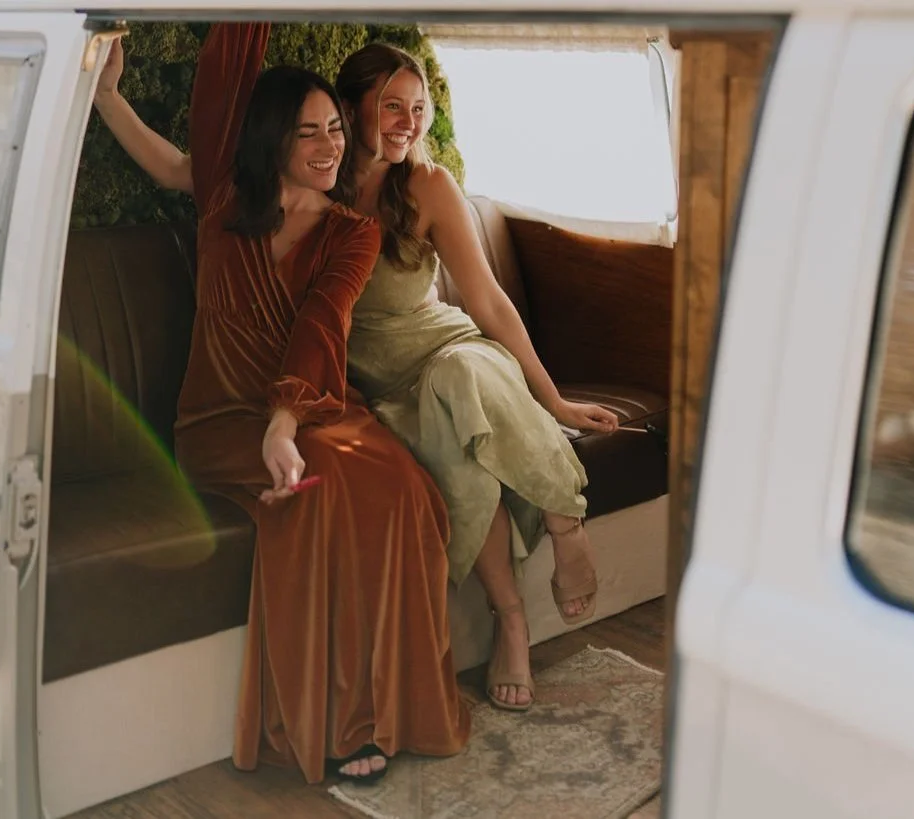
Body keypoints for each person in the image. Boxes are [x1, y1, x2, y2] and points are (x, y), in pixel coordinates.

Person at [92, 24, 470, 785]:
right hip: (220, 421)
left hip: (311, 408)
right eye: (309, 133)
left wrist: (287, 421)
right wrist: (104, 92)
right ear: (273, 139)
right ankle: (337, 723)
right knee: (315, 494)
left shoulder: (352, 234)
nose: (331, 146)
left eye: (336, 128)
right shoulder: (224, 197)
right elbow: (213, 89)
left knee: (405, 489)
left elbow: (320, 325)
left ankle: (398, 707)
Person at [334, 45, 621, 713]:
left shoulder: (429, 185)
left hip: (455, 352)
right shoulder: (317, 180)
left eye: (418, 108)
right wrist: (110, 100)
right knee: (461, 451)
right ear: (350, 108)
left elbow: (488, 300)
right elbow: (196, 176)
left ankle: (564, 521)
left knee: (459, 375)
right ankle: (510, 618)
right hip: (388, 389)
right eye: (391, 106)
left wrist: (554, 399)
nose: (409, 122)